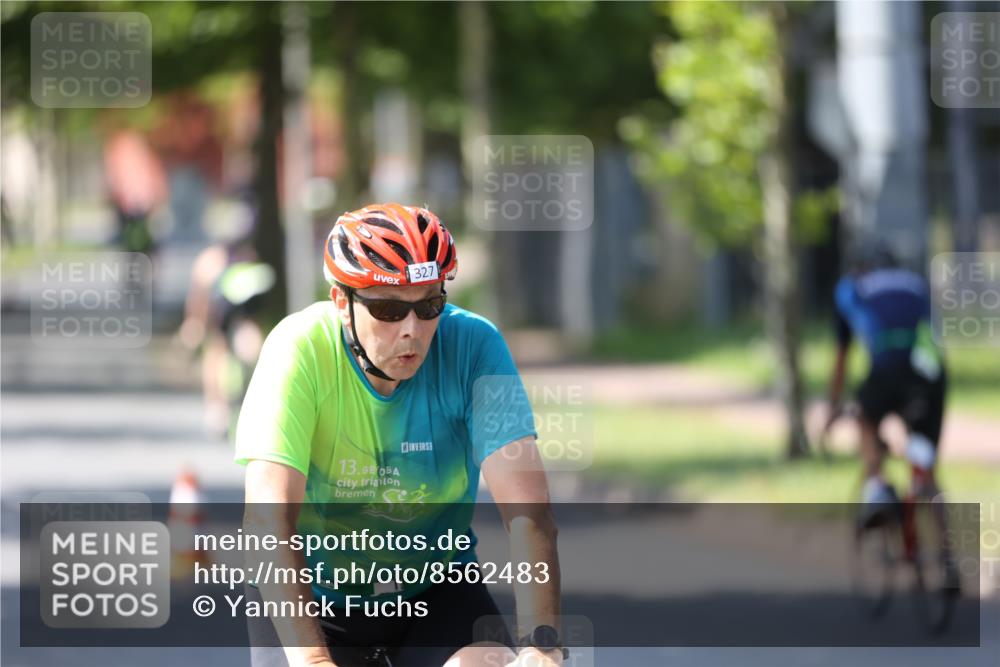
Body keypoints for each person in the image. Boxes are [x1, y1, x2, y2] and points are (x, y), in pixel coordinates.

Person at [234, 204, 564, 667]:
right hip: (312, 593)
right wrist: (313, 662)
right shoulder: (297, 350)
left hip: (436, 590)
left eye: (429, 305)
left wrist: (542, 646)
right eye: (389, 308)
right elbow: (268, 524)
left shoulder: (475, 345)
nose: (412, 330)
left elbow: (529, 513)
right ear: (341, 302)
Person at [822, 242, 947, 523]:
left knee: (864, 417)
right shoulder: (915, 283)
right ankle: (947, 552)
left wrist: (832, 408)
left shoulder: (851, 287)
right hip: (931, 374)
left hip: (888, 370)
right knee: (925, 462)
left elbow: (841, 359)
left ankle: (877, 485)